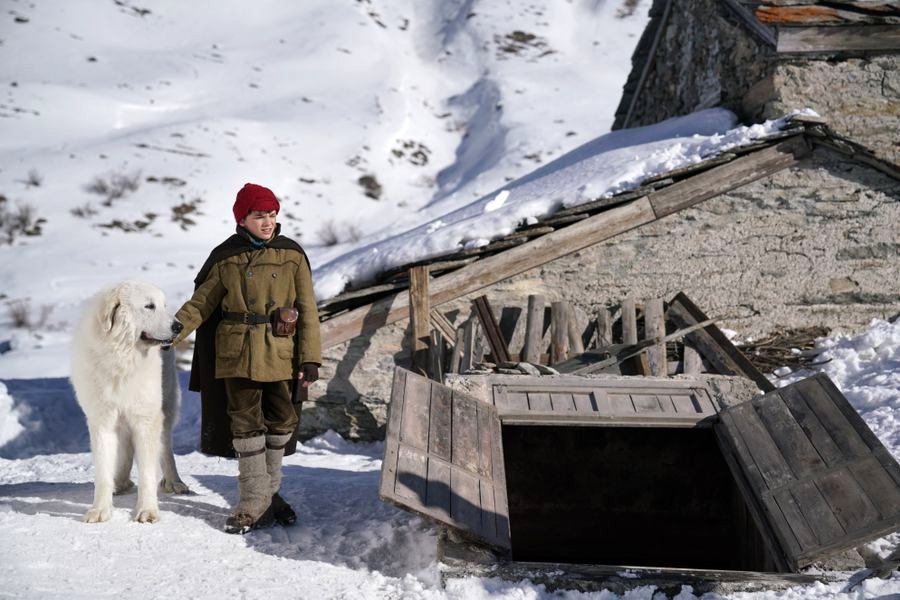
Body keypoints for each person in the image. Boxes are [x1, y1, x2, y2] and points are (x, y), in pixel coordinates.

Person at [170, 182, 321, 534]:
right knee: (245, 425)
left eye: (271, 215)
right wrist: (169, 332)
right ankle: (253, 501)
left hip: (281, 353)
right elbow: (201, 305)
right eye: (259, 216)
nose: (267, 222)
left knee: (282, 422)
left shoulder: (291, 255)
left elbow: (308, 311)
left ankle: (267, 495)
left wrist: (310, 358)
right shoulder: (226, 257)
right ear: (243, 218)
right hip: (236, 354)